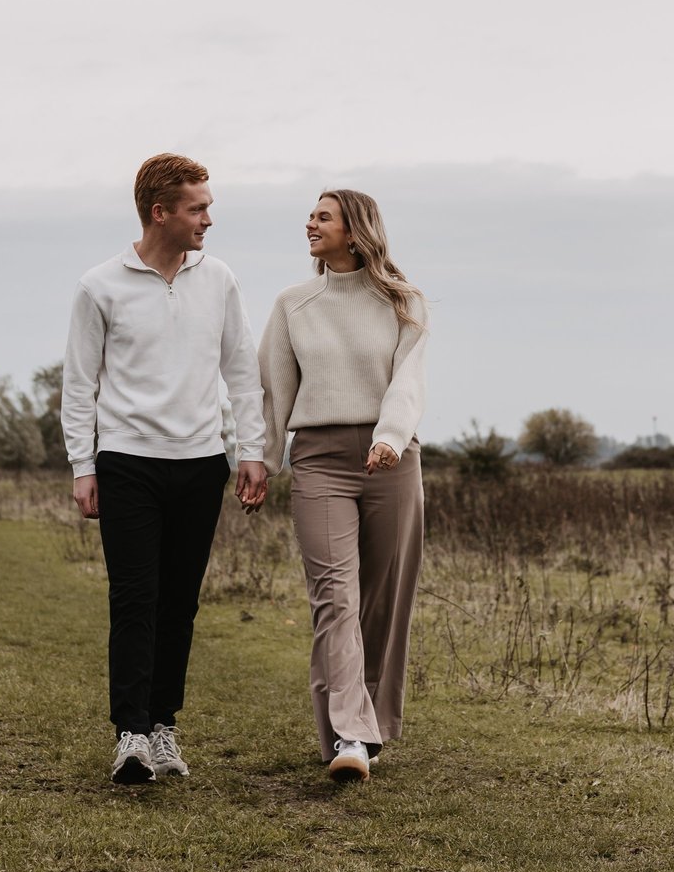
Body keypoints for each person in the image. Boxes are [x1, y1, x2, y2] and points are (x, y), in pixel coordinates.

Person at [62, 152, 269, 784]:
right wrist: (81, 463)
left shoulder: (220, 279)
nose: (209, 218)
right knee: (134, 599)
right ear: (161, 212)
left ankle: (163, 727)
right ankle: (129, 734)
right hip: (127, 463)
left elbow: (242, 371)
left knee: (179, 604)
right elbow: (80, 383)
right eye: (198, 208)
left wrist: (252, 450)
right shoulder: (101, 285)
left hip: (202, 462)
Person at [259, 188, 427, 782]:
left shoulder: (404, 302)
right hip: (320, 461)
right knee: (336, 597)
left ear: (354, 231)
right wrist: (261, 460)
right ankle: (349, 735)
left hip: (392, 460)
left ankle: (368, 728)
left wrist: (390, 435)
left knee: (382, 603)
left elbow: (408, 379)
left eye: (322, 216)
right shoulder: (292, 305)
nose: (309, 223)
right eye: (311, 216)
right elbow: (274, 392)